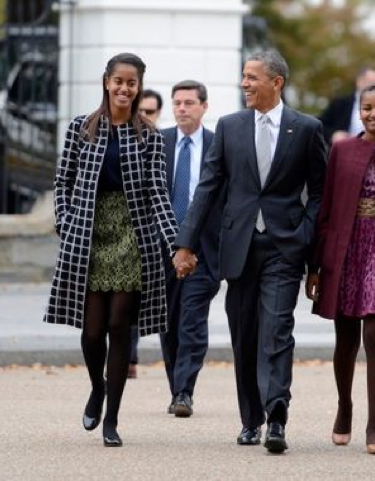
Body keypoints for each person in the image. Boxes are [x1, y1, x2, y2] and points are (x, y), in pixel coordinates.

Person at [172, 50, 327, 454]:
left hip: (283, 247)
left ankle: (277, 417)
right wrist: (185, 243)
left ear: (276, 82)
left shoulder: (306, 128)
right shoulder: (230, 127)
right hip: (238, 247)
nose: (244, 84)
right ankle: (251, 419)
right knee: (245, 336)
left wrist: (306, 239)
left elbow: (320, 193)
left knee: (276, 331)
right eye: (243, 77)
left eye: (252, 77)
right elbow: (208, 187)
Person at [43, 52, 180, 447]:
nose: (124, 88)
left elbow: (159, 194)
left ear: (138, 87)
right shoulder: (80, 128)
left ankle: (113, 418)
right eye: (118, 81)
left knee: (120, 325)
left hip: (132, 234)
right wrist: (65, 222)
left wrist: (176, 243)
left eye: (131, 82)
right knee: (91, 331)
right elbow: (62, 180)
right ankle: (97, 389)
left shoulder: (149, 135)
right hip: (88, 231)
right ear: (106, 81)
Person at [306, 83, 375, 455]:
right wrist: (316, 266)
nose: (373, 114)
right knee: (346, 339)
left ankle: (374, 425)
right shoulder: (340, 150)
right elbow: (325, 211)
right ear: (360, 111)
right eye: (367, 108)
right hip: (346, 251)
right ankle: (344, 406)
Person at [159, 80, 222, 417]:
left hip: (204, 251)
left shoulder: (218, 145)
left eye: (189, 103)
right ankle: (176, 387)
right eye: (177, 102)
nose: (182, 108)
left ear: (203, 107)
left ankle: (185, 391)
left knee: (192, 321)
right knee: (169, 323)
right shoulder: (158, 142)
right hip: (162, 250)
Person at [128, 87, 165, 380]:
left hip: (161, 237)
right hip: (127, 236)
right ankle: (128, 357)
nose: (144, 117)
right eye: (140, 111)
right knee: (126, 300)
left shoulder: (162, 143)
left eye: (149, 112)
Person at [318, 67, 375, 144]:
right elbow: (320, 125)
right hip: (343, 152)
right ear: (359, 81)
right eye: (370, 82)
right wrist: (333, 135)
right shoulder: (340, 103)